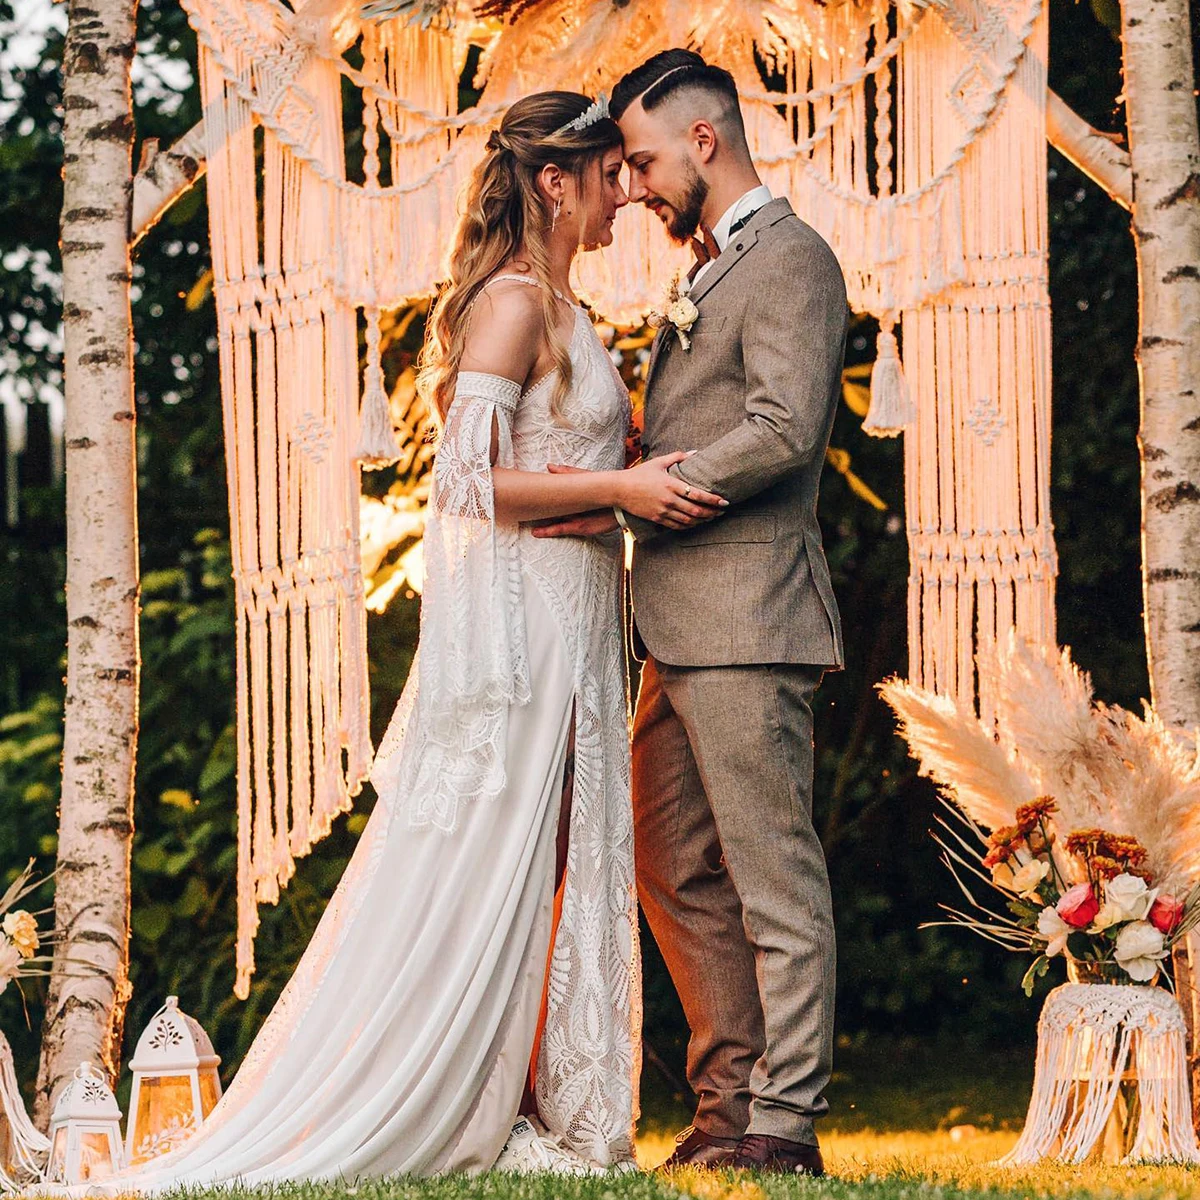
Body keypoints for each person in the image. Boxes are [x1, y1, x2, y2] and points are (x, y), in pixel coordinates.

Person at [37, 91, 727, 1195]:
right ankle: (434, 1087)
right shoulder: (514, 303)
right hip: (534, 629)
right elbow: (461, 479)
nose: (625, 196)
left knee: (559, 863)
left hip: (582, 606)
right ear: (554, 181)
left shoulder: (570, 307)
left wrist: (613, 505)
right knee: (507, 863)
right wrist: (622, 484)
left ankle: (540, 1096)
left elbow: (546, 477)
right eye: (608, 177)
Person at [537, 49, 848, 1177]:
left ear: (704, 142)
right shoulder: (715, 266)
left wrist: (653, 488)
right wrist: (624, 467)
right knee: (671, 860)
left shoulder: (792, 260)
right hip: (677, 621)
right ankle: (727, 1105)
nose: (639, 183)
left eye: (648, 159)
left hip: (752, 615)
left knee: (774, 874)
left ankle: (787, 1123)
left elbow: (782, 428)